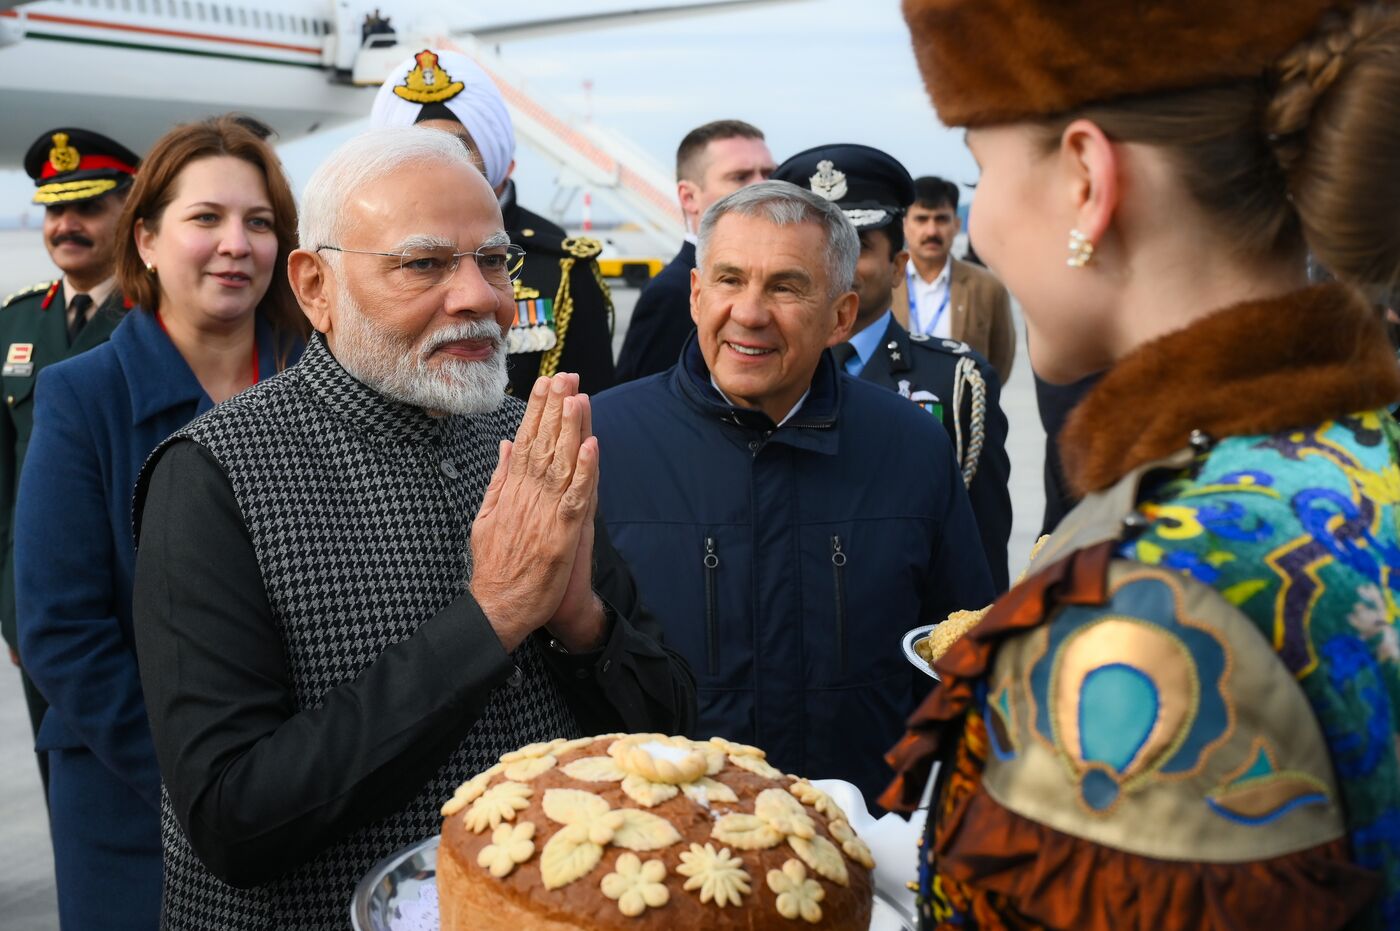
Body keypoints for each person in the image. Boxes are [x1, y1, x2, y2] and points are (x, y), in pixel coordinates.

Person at [883, 2, 1400, 929]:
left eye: (982, 172)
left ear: (1088, 178)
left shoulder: (1146, 605)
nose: (982, 229)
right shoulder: (1366, 448)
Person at [130, 127, 694, 929]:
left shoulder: (524, 438)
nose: (479, 297)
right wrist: (491, 618)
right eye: (423, 264)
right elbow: (234, 817)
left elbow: (669, 724)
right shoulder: (212, 476)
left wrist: (584, 626)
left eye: (494, 261)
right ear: (315, 286)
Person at [592, 180, 994, 804]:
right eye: (729, 280)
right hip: (659, 850)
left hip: (861, 851)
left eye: (785, 286)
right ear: (696, 296)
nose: (750, 313)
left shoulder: (912, 449)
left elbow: (960, 657)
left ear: (840, 316)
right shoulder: (600, 444)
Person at [14, 116, 306, 931]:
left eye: (259, 222)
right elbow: (61, 629)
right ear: (144, 240)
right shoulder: (84, 397)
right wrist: (210, 782)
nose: (235, 245)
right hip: (135, 796)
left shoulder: (321, 377)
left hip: (312, 790)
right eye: (205, 218)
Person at [774, 143, 1013, 590]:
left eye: (858, 246)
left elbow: (981, 553)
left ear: (898, 264)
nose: (834, 266)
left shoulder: (956, 383)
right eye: (817, 247)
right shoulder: (758, 374)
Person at [2, 128, 140, 797]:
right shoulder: (17, 324)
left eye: (86, 207)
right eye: (55, 210)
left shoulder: (159, 317)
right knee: (65, 788)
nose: (65, 226)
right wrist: (14, 613)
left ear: (131, 212)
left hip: (135, 612)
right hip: (39, 620)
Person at [371, 48, 616, 398]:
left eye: (458, 145)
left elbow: (593, 401)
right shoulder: (367, 254)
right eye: (420, 146)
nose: (440, 161)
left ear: (494, 156)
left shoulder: (557, 264)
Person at [613, 119, 776, 382]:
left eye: (769, 174)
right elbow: (643, 405)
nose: (763, 187)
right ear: (689, 197)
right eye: (740, 177)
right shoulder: (672, 295)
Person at [895, 175, 1017, 381]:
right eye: (922, 219)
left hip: (963, 409)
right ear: (905, 225)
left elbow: (1000, 364)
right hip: (896, 409)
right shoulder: (885, 285)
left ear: (956, 224)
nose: (932, 231)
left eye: (941, 219)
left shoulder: (988, 288)